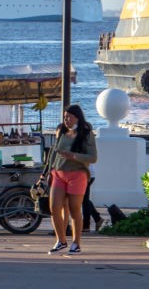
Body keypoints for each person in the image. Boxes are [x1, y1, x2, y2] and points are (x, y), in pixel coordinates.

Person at [44, 104, 97, 255]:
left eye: (68, 117)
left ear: (77, 117)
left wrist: (73, 156)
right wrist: (49, 171)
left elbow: (93, 157)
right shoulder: (61, 130)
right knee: (54, 208)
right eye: (64, 117)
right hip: (58, 173)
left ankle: (76, 243)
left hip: (77, 174)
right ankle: (61, 241)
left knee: (75, 209)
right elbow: (54, 152)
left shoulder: (86, 134)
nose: (66, 120)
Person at [81, 162, 104, 232]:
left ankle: (86, 225)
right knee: (83, 199)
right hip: (87, 174)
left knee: (84, 200)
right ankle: (97, 218)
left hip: (86, 174)